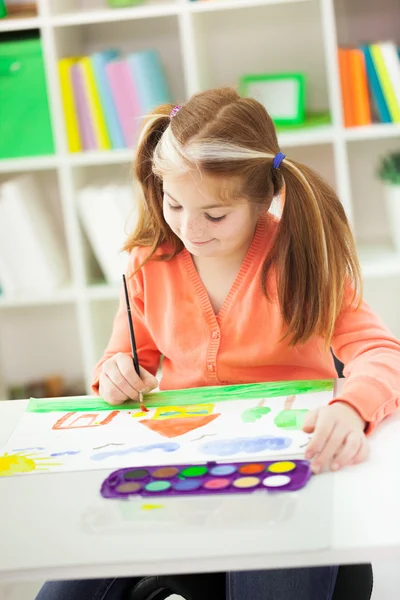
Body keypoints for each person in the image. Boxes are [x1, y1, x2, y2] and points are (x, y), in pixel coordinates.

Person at [35, 87, 400, 600]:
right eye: (175, 203)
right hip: (177, 480)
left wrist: (351, 406)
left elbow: (381, 353)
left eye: (215, 215)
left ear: (262, 198)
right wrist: (115, 372)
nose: (189, 228)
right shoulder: (148, 262)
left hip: (283, 478)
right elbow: (123, 359)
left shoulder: (301, 258)